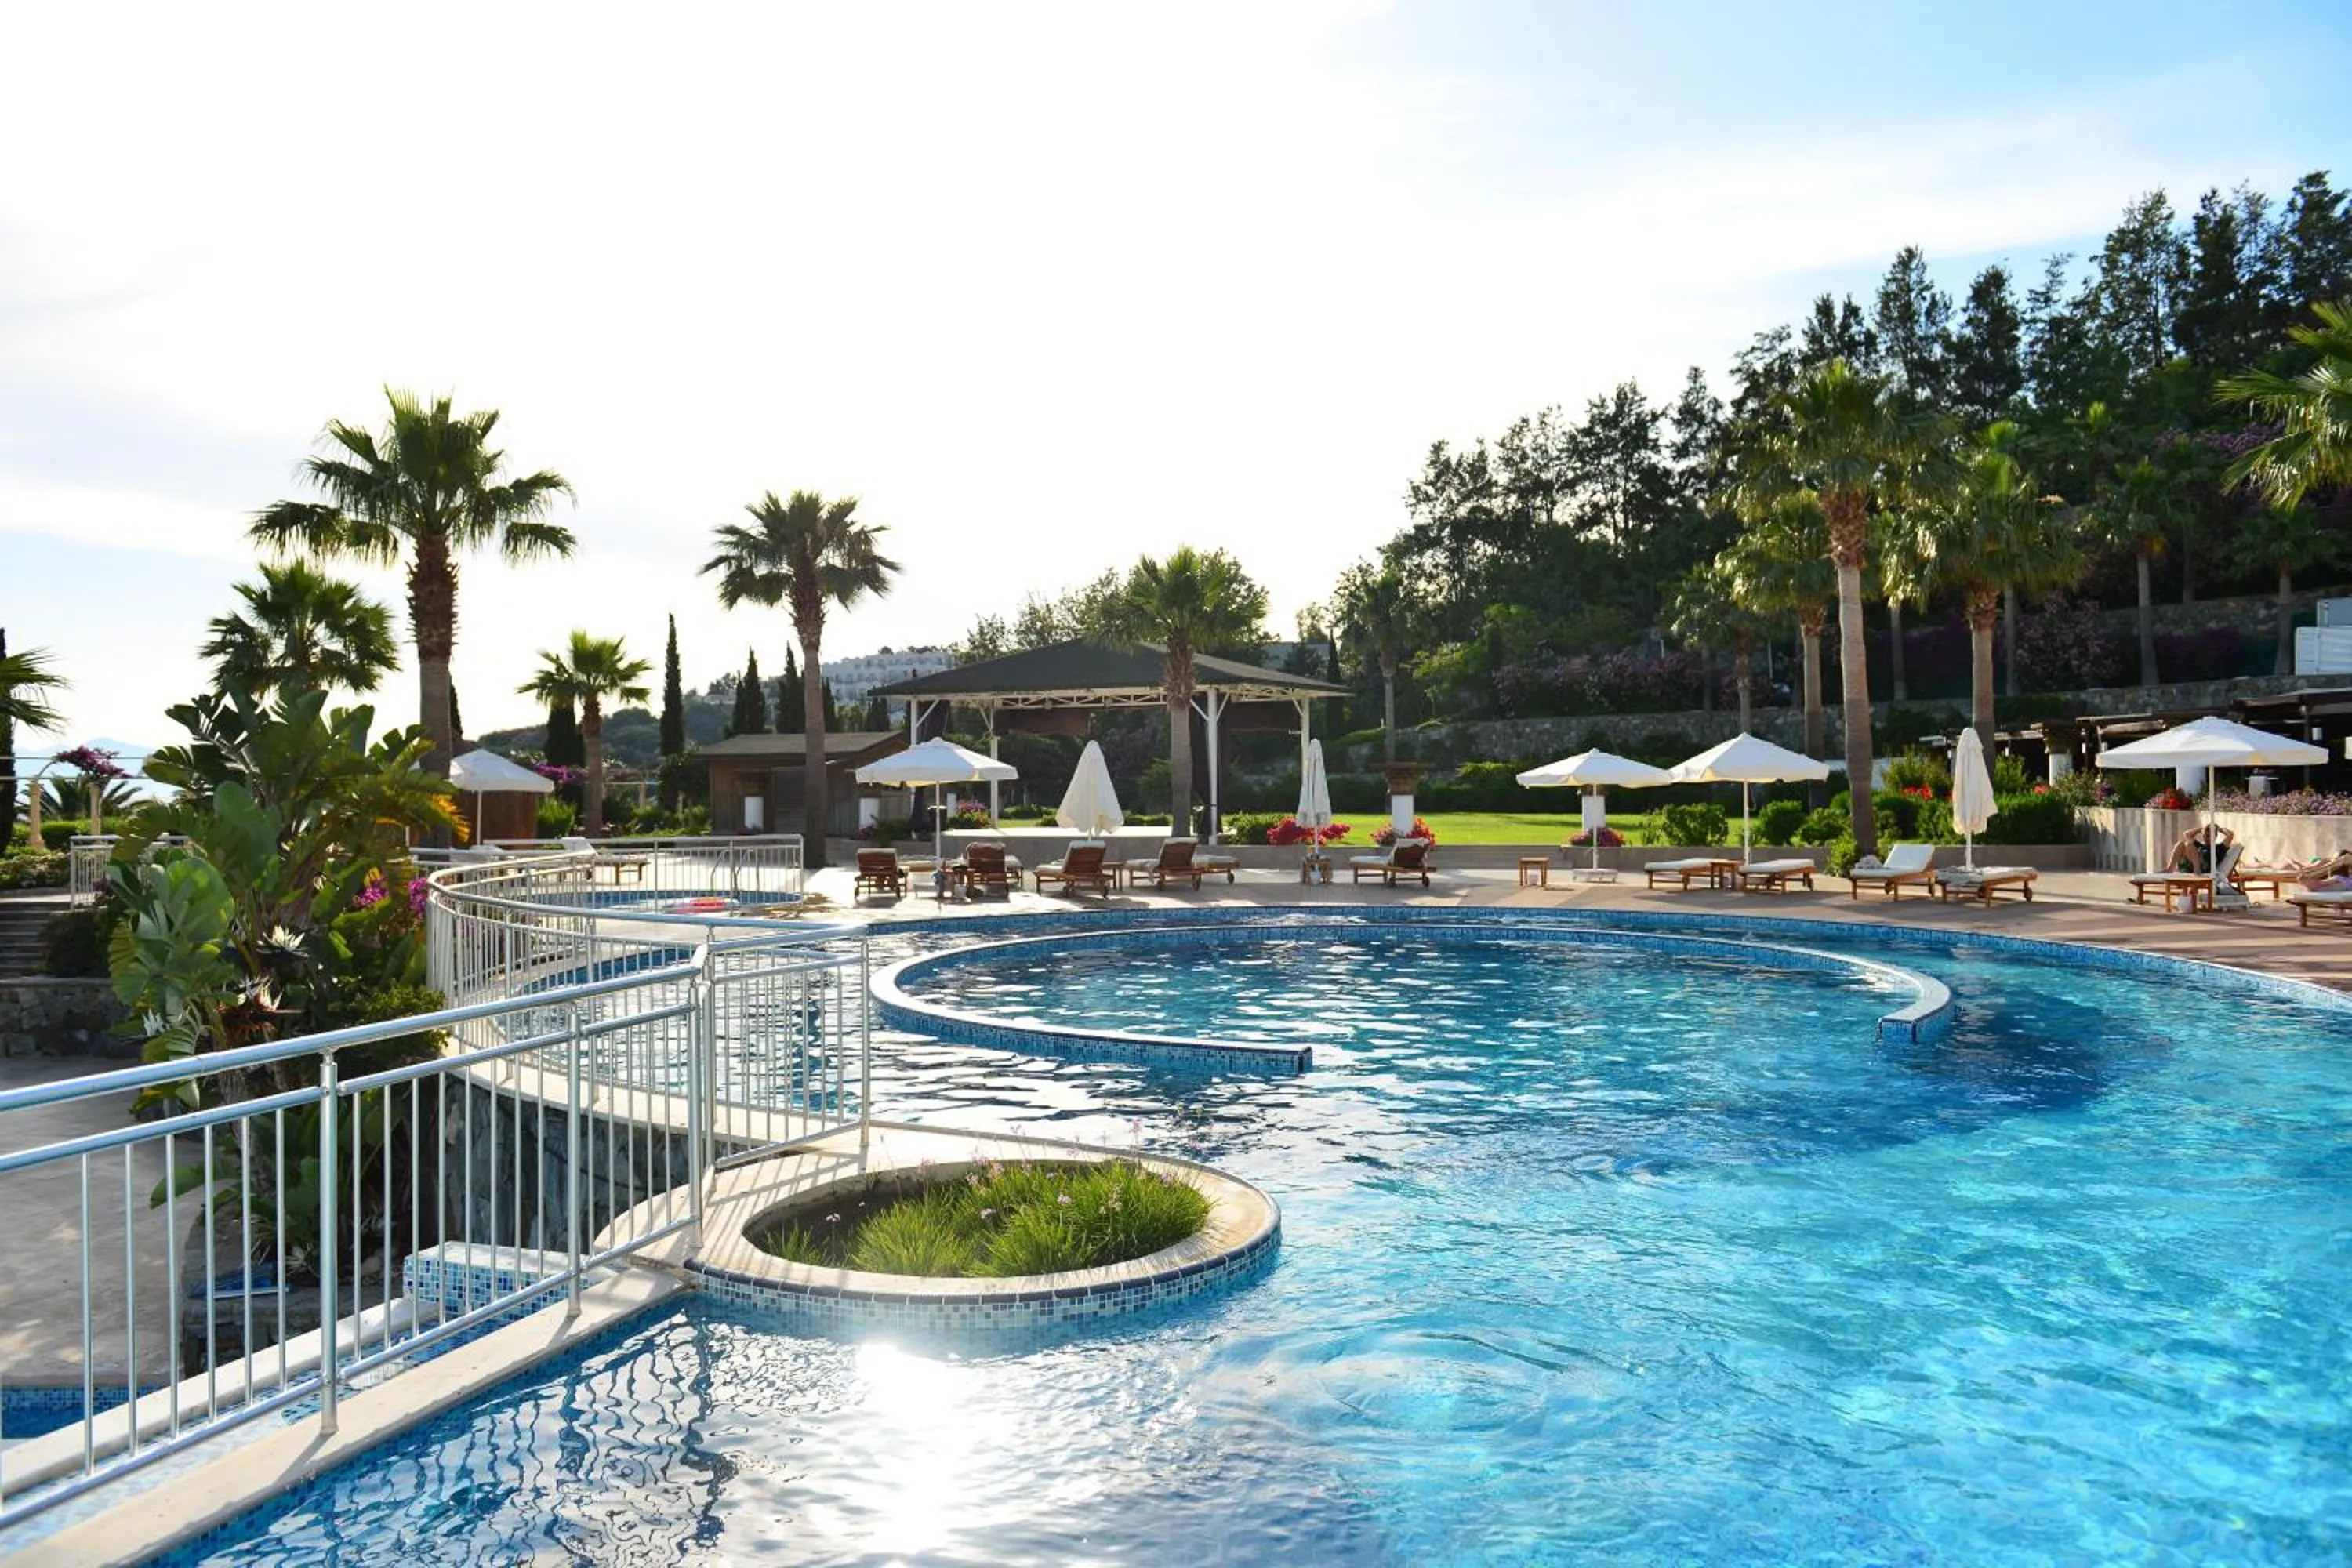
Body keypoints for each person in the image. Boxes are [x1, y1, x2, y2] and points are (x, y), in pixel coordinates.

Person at [2167, 822, 2234, 873]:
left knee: (2189, 845)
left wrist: (2219, 829)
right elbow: (2186, 834)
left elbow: (2230, 835)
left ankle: (2197, 869)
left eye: (2210, 835)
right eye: (2206, 835)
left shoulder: (2219, 848)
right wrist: (2202, 828)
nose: (2208, 838)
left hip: (2204, 867)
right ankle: (2170, 868)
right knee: (2181, 844)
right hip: (2192, 865)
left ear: (2215, 836)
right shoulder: (2199, 845)